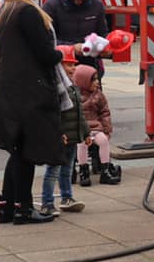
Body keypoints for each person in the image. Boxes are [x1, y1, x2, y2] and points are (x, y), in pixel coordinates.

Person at [0, 0, 63, 225]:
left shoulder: (6, 8)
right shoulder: (28, 12)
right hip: (29, 91)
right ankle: (23, 209)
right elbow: (45, 54)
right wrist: (66, 52)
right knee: (27, 152)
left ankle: (8, 207)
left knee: (18, 150)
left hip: (9, 90)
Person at [40, 45, 88, 216]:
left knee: (67, 170)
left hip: (73, 138)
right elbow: (54, 116)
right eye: (69, 65)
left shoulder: (73, 88)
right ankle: (47, 203)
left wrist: (86, 133)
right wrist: (58, 133)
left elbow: (80, 114)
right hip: (61, 138)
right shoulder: (55, 90)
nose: (73, 68)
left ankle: (67, 198)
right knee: (53, 171)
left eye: (74, 65)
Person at [42, 0, 110, 81]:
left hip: (90, 66)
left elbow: (102, 32)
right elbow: (47, 39)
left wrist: (105, 47)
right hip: (63, 66)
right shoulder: (51, 6)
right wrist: (72, 48)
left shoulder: (97, 5)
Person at [72, 65, 121, 185]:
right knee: (82, 144)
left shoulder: (98, 95)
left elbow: (105, 113)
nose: (97, 82)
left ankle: (105, 170)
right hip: (81, 130)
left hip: (96, 128)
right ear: (84, 82)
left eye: (97, 79)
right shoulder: (74, 96)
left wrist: (107, 129)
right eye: (93, 80)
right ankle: (84, 171)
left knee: (103, 141)